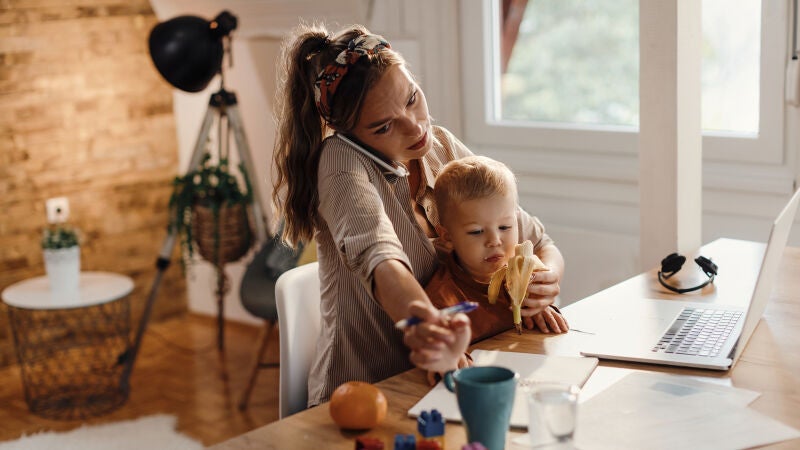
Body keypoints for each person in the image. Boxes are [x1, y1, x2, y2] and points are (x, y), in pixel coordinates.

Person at [271, 23, 562, 406]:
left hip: (448, 380)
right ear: (348, 132)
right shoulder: (341, 161)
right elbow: (381, 260)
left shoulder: (439, 146)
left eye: (411, 98)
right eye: (384, 126)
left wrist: (546, 279)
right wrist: (432, 328)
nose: (415, 127)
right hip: (368, 393)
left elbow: (537, 239)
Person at [426, 156, 568, 343]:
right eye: (476, 231)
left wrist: (540, 307)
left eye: (504, 227)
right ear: (447, 236)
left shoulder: (524, 281)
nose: (494, 241)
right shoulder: (442, 301)